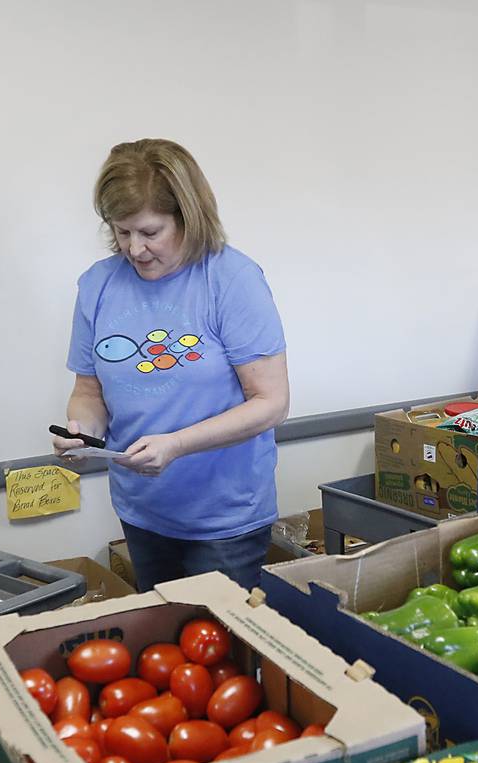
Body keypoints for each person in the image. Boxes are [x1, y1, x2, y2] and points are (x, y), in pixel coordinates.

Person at [57, 139, 289, 592]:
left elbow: (272, 403)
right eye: (121, 232)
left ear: (189, 217)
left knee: (214, 652)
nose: (135, 249)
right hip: (142, 510)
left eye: (149, 232)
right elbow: (89, 392)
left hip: (225, 518)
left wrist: (177, 444)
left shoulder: (231, 280)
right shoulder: (98, 285)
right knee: (162, 645)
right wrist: (80, 433)